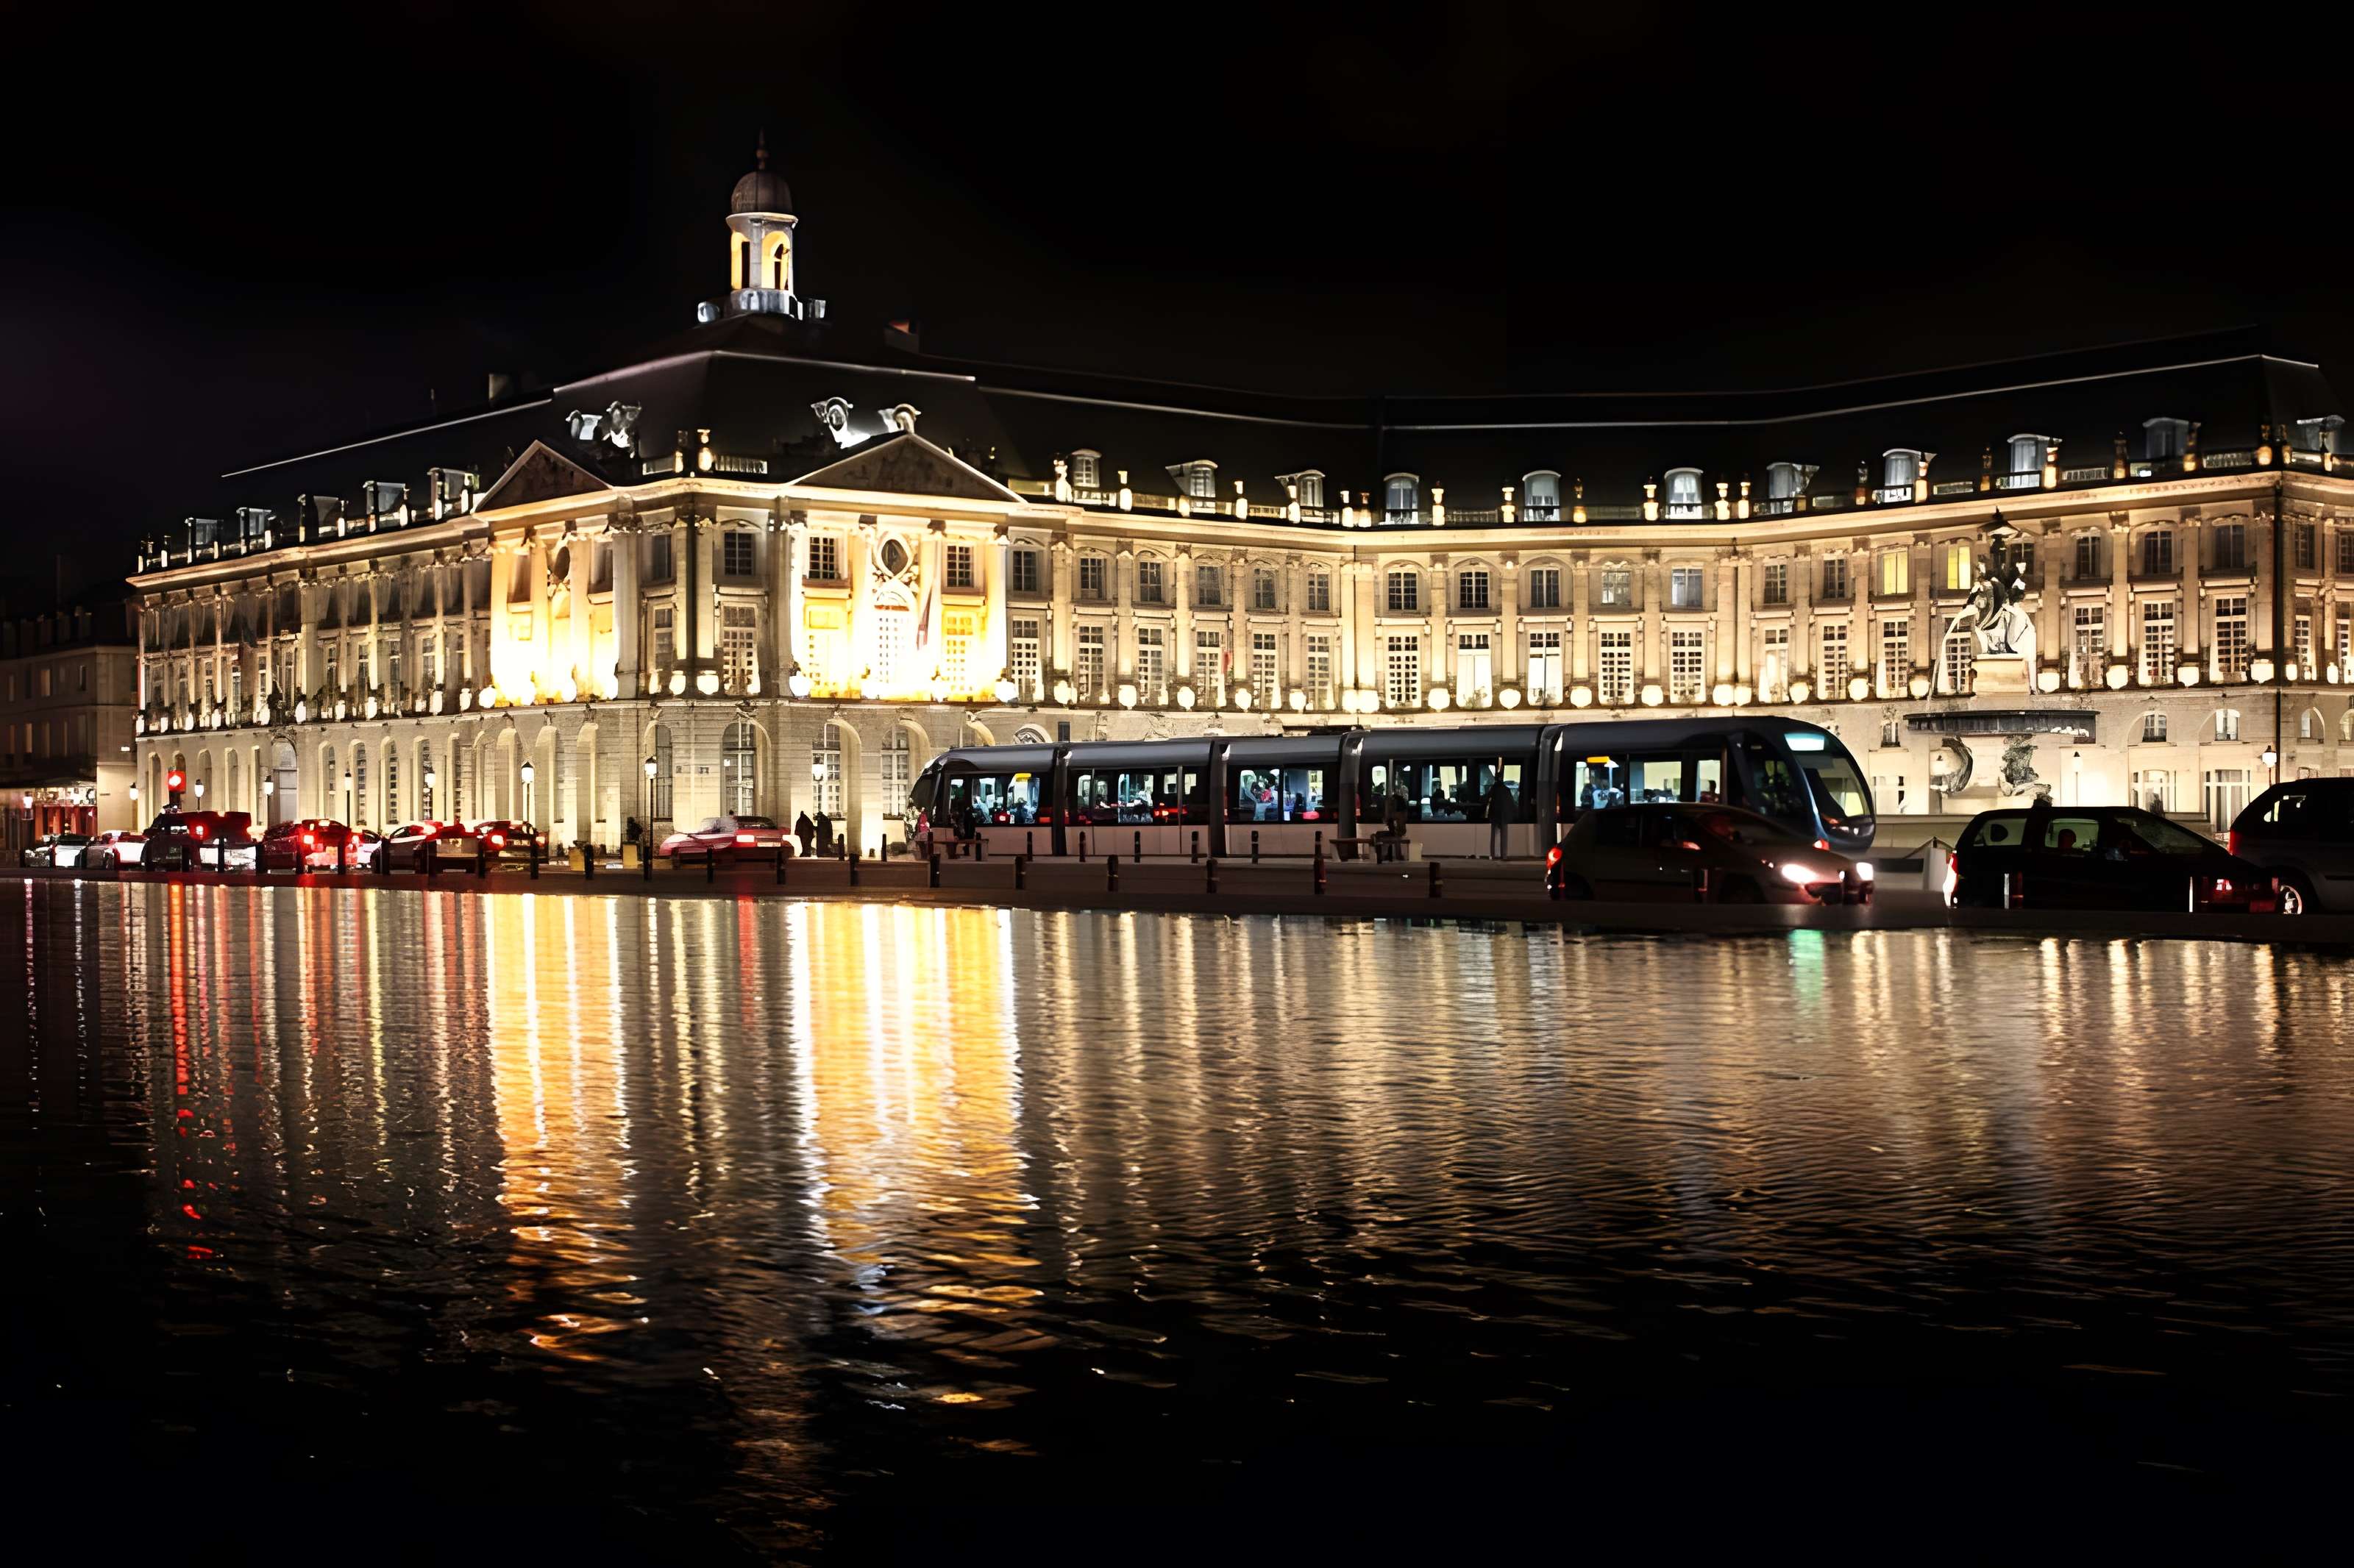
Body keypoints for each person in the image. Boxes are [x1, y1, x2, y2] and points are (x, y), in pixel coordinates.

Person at [1485, 773, 1515, 859]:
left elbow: (1487, 798)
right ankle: (1504, 855)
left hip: (1494, 815)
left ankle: (1493, 854)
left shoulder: (1493, 789)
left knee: (1493, 836)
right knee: (1504, 836)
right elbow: (1511, 804)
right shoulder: (1506, 790)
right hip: (1504, 815)